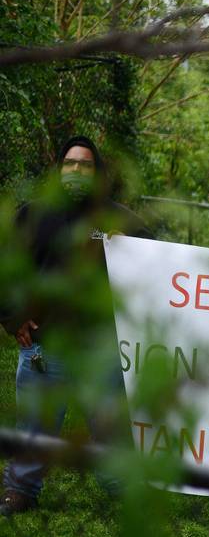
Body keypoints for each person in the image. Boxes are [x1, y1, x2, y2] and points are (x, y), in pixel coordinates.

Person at [1, 137, 151, 516]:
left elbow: (158, 264)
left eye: (85, 165)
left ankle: (125, 489)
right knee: (34, 425)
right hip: (43, 347)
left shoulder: (119, 220)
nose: (77, 171)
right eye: (70, 164)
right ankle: (20, 490)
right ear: (59, 169)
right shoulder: (32, 215)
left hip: (98, 350)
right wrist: (11, 318)